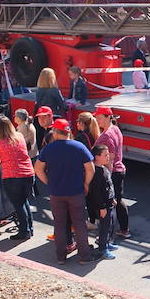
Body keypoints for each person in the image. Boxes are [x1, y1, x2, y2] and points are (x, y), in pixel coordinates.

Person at [34, 118, 96, 265]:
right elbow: (90, 168)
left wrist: (49, 182)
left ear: (55, 132)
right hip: (76, 192)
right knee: (80, 223)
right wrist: (86, 183)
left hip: (56, 193)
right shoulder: (79, 147)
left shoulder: (48, 149)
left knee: (60, 224)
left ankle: (61, 257)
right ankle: (84, 257)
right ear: (68, 132)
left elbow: (38, 169)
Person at [0, 116, 35, 241]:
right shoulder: (19, 137)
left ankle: (24, 231)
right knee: (24, 201)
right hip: (28, 174)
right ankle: (29, 228)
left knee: (18, 205)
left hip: (12, 177)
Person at [95, 105, 130, 239]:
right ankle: (124, 229)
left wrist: (105, 177)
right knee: (119, 200)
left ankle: (107, 236)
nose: (97, 120)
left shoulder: (106, 136)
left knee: (110, 203)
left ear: (108, 117)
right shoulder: (115, 129)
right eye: (96, 117)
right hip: (119, 169)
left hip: (113, 171)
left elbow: (109, 159)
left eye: (99, 117)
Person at [87, 144, 117, 259]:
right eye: (105, 155)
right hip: (103, 206)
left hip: (109, 203)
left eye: (108, 154)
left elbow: (108, 187)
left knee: (109, 224)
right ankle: (102, 249)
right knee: (104, 227)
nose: (108, 156)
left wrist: (112, 199)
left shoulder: (103, 168)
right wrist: (102, 207)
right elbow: (96, 192)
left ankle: (107, 243)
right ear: (97, 157)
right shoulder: (96, 173)